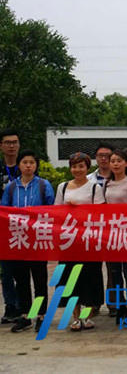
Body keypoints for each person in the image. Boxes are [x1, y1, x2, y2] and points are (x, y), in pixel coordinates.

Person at [1, 150, 55, 332]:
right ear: (19, 165)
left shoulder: (43, 185)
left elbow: (52, 210)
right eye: (25, 162)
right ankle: (25, 316)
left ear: (36, 165)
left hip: (38, 239)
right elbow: (4, 211)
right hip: (18, 240)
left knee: (40, 279)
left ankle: (40, 315)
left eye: (32, 162)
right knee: (21, 280)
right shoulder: (11, 187)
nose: (28, 165)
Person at [55, 152, 106, 331]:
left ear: (87, 167)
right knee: (71, 279)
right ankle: (75, 318)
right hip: (69, 242)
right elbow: (56, 213)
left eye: (81, 166)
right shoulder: (62, 187)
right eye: (74, 166)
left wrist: (82, 210)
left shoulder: (95, 188)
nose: (77, 170)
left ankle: (88, 316)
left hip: (89, 241)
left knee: (90, 278)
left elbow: (101, 214)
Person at [104, 149, 127, 324]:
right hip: (110, 234)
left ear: (126, 163)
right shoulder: (105, 184)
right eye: (112, 161)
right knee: (114, 272)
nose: (115, 164)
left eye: (119, 160)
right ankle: (119, 305)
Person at [87, 142, 117, 317]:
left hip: (114, 229)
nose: (104, 158)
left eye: (108, 155)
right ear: (96, 158)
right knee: (94, 268)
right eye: (100, 155)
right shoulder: (89, 179)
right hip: (93, 230)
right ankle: (95, 302)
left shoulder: (121, 178)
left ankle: (113, 302)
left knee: (113, 268)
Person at [0, 129, 21, 324]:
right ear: (1, 146)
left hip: (24, 227)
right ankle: (10, 306)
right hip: (2, 227)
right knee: (6, 270)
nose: (11, 146)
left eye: (14, 142)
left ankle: (24, 305)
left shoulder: (27, 167)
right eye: (7, 142)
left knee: (23, 269)